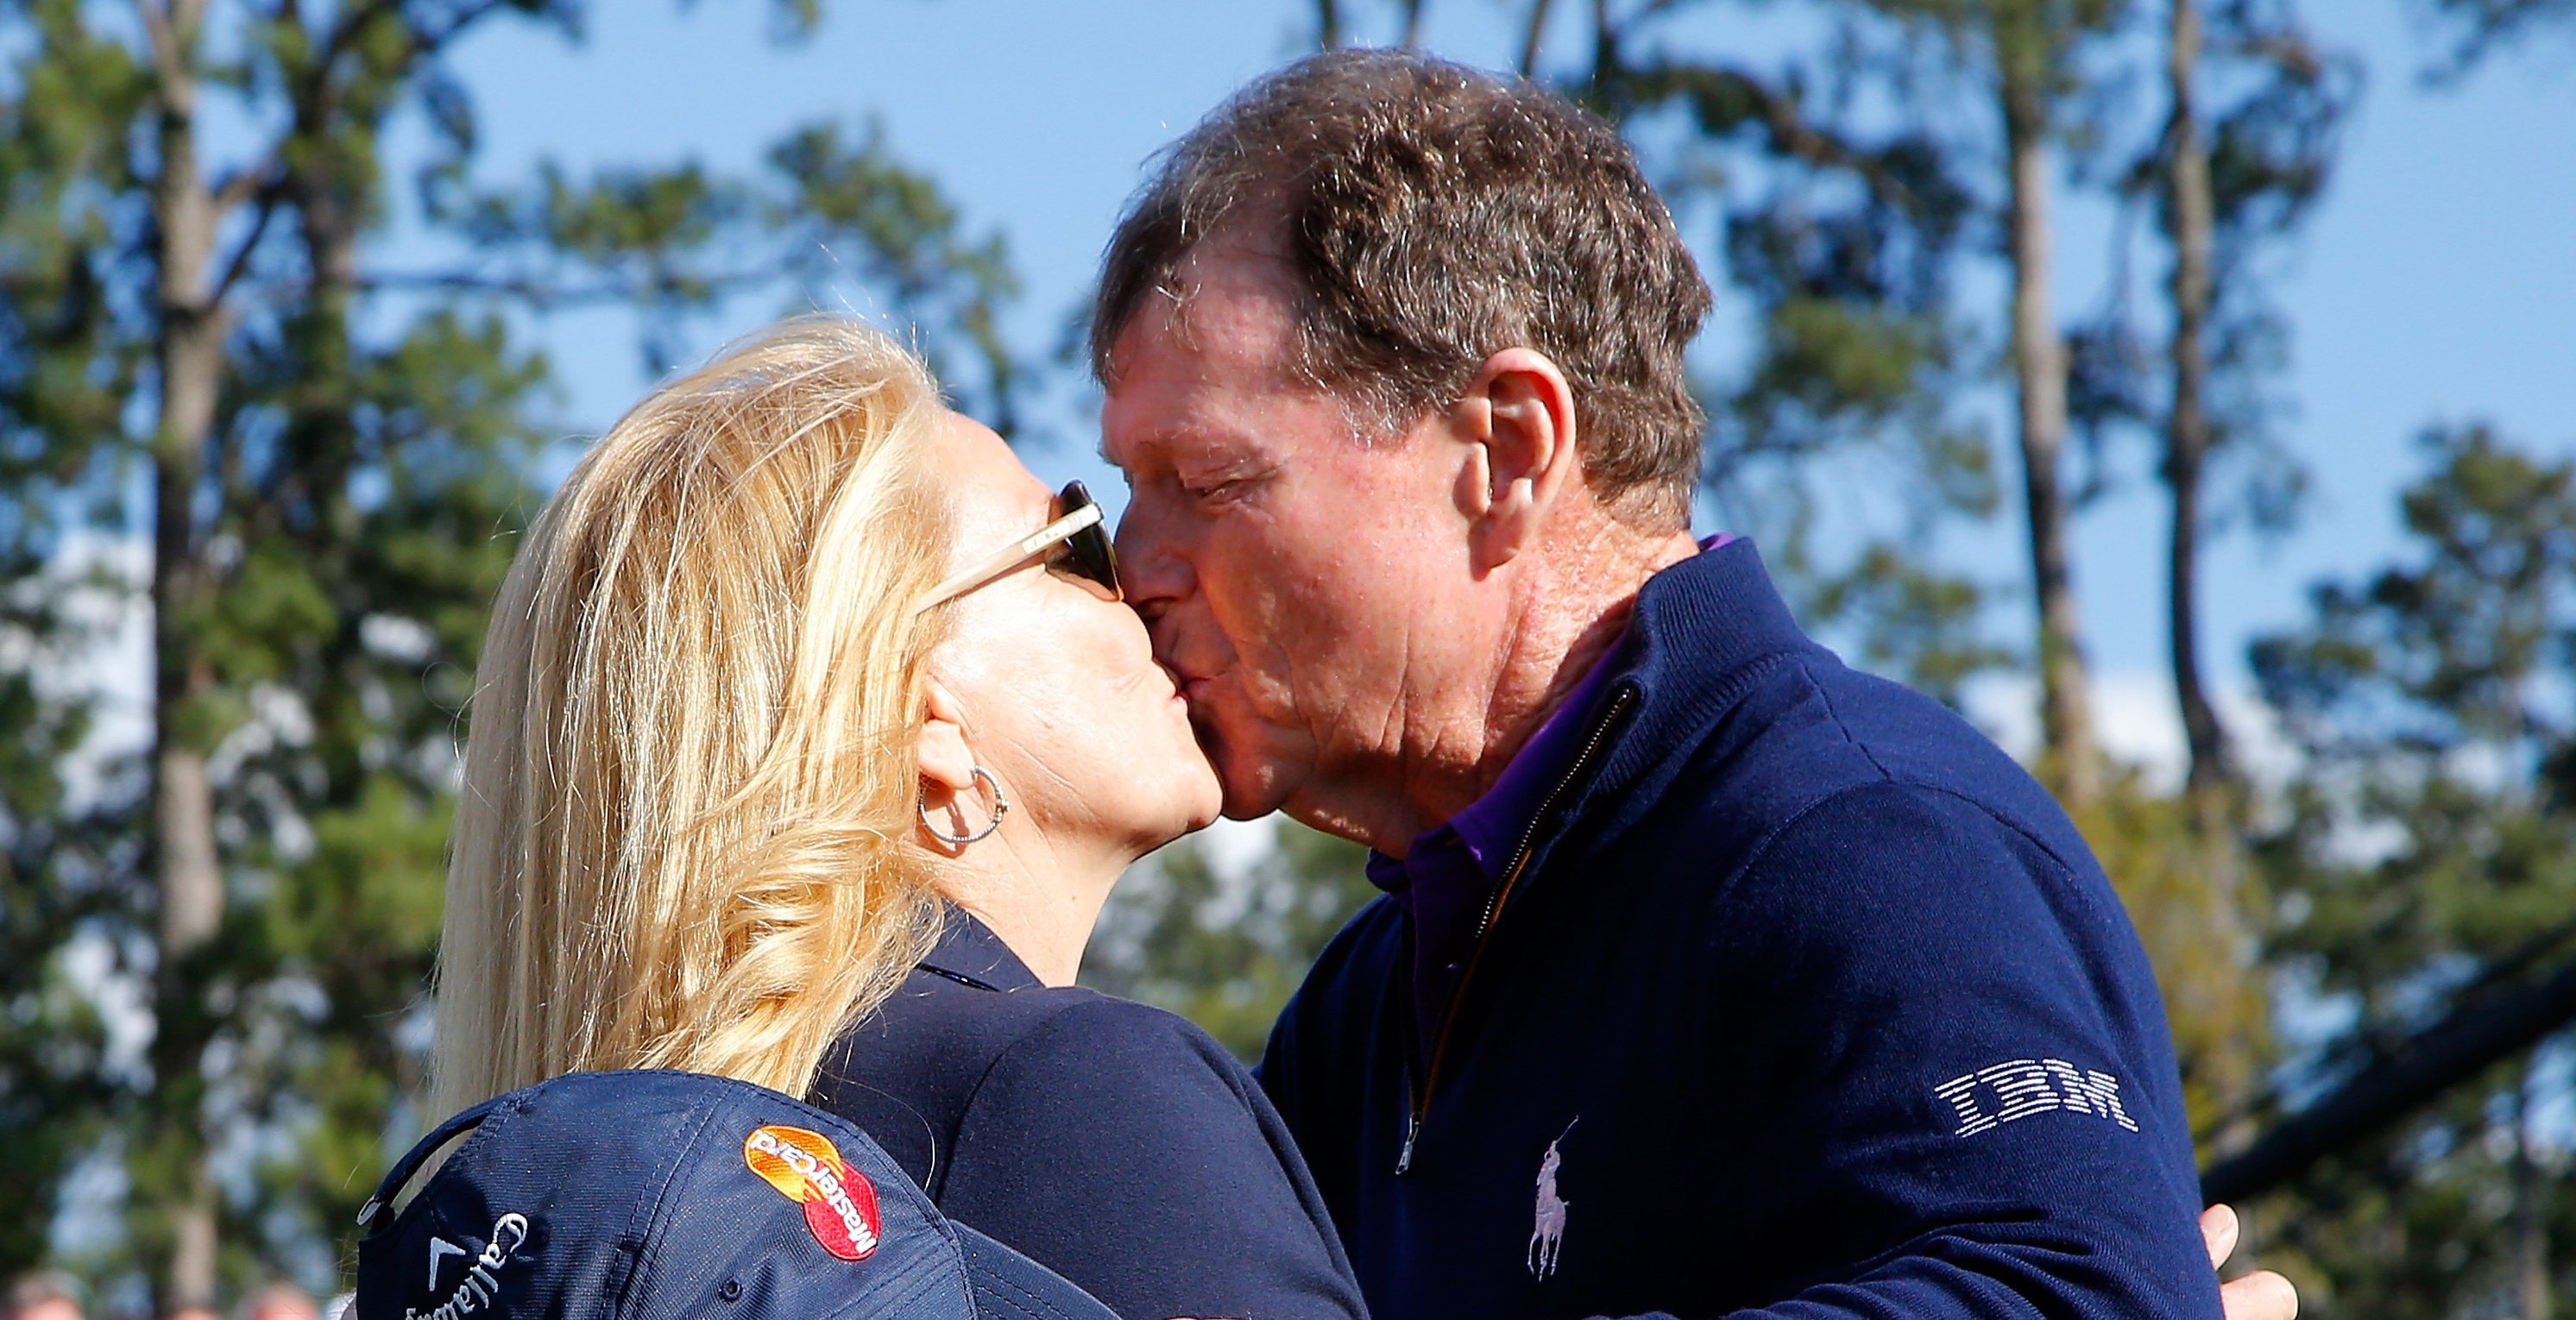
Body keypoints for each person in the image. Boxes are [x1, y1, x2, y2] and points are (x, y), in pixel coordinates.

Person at [1093, 48, 2297, 1320]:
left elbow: (2080, 1295)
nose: (1135, 568)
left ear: (1506, 450)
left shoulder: (1863, 841)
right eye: (1129, 486)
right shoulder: (1367, 1009)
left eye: (1211, 482)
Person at [429, 317, 1364, 1320]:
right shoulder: (1071, 1096)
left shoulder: (627, 1210)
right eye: (1076, 541)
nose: (1136, 584)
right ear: (920, 714)